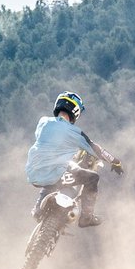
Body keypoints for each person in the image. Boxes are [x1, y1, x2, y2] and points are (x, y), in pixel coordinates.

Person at [24, 91, 122, 227]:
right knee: (92, 178)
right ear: (76, 111)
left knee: (56, 174)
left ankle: (38, 209)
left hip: (33, 173)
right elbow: (96, 149)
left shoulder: (43, 122)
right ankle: (86, 218)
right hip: (54, 174)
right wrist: (115, 162)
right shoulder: (75, 132)